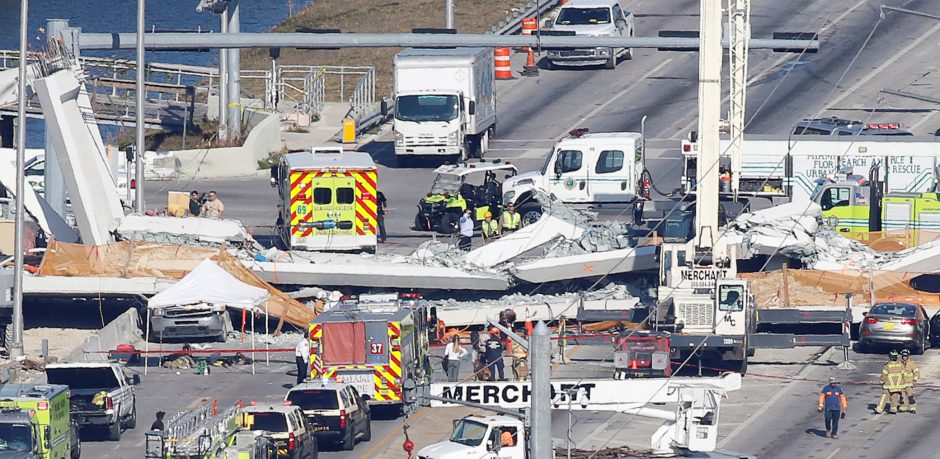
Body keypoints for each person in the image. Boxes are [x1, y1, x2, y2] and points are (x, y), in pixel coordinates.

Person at [875, 350, 907, 414]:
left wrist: (881, 381)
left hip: (888, 385)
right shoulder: (901, 365)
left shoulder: (887, 366)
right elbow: (904, 374)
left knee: (885, 396)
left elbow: (884, 375)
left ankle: (879, 408)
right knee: (894, 395)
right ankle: (893, 408)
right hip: (899, 385)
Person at [900, 349, 920, 413]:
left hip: (909, 384)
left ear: (908, 356)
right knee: (902, 397)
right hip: (901, 384)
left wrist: (914, 380)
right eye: (903, 356)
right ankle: (903, 407)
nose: (904, 357)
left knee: (910, 397)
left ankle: (912, 408)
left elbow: (916, 372)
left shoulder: (911, 364)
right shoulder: (899, 364)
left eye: (906, 356)